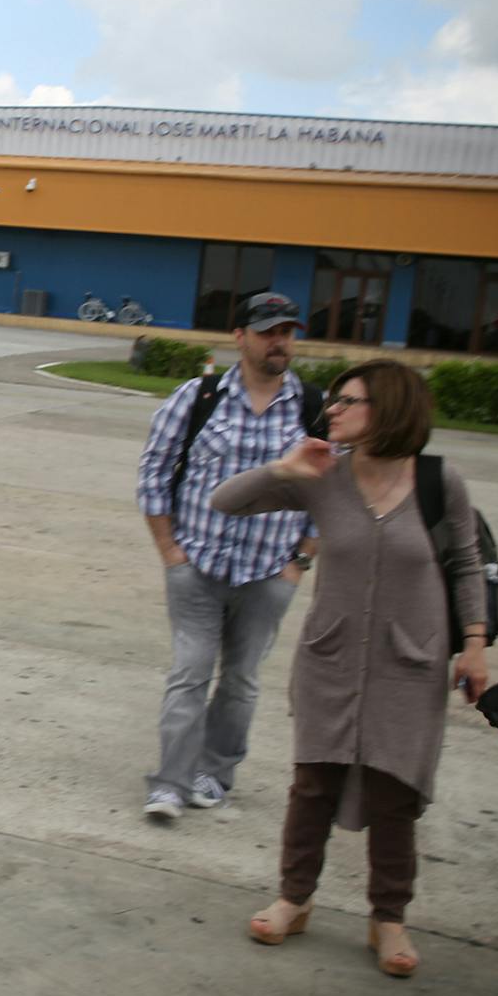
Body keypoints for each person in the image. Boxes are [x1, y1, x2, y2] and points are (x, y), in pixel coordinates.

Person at [214, 360, 488, 977]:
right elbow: (224, 501)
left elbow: (467, 566)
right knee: (312, 786)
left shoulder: (442, 483)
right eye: (333, 401)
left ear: (388, 409)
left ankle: (388, 918)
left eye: (348, 401)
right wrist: (282, 470)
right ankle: (294, 899)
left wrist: (473, 646)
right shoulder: (322, 475)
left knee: (395, 796)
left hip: (410, 665)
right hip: (330, 660)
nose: (331, 409)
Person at [134, 292, 319, 821]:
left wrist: (298, 564)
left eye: (286, 330)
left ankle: (213, 773)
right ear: (240, 337)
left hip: (269, 572)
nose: (279, 341)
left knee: (241, 681)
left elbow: (330, 491)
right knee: (190, 673)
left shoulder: (312, 408)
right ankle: (168, 784)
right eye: (267, 331)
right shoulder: (198, 398)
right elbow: (154, 473)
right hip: (197, 567)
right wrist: (170, 551)